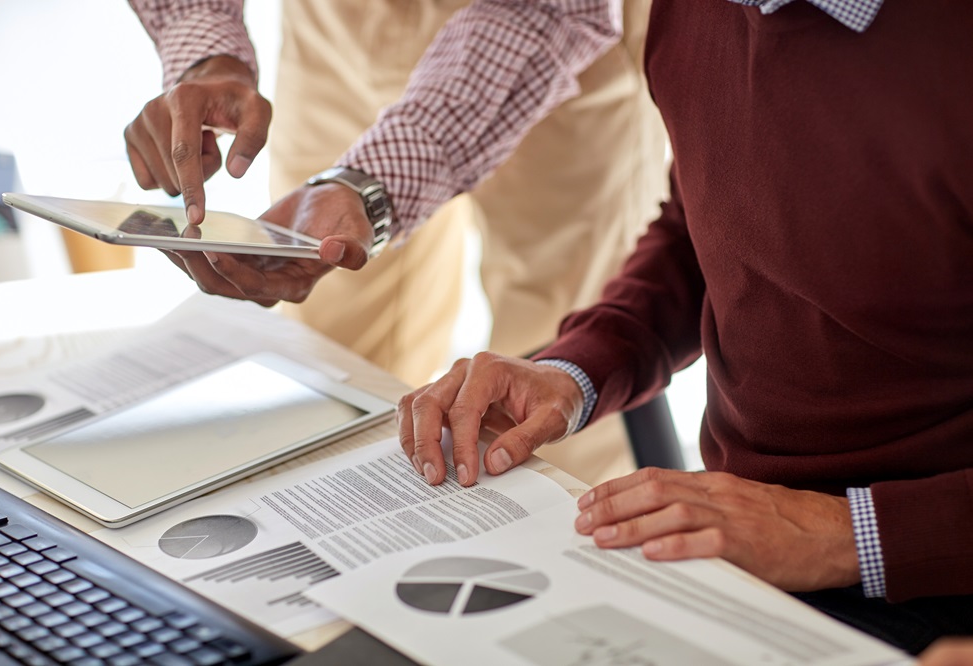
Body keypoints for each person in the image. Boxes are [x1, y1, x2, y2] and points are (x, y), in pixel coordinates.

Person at [395, 0, 973, 657]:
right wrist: (575, 369)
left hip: (931, 584)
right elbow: (702, 228)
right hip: (740, 540)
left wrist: (848, 534)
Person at [125, 0, 669, 487]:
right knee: (334, 367)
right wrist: (208, 52)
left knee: (553, 379)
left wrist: (370, 187)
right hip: (339, 30)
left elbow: (548, 10)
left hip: (558, 43)